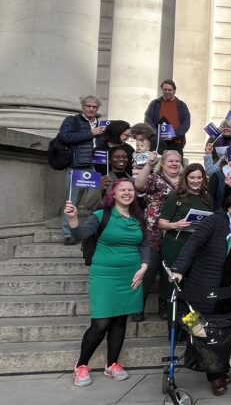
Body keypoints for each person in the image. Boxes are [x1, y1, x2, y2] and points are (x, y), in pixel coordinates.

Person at [168, 190, 231, 395]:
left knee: (224, 330)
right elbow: (192, 246)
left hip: (230, 289)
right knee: (199, 328)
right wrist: (178, 270)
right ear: (228, 204)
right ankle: (215, 375)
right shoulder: (214, 222)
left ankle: (220, 368)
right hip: (202, 286)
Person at [66, 179, 148, 387]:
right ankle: (81, 365)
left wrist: (144, 267)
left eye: (130, 189)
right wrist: (74, 218)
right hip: (105, 274)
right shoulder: (101, 215)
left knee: (120, 320)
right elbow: (79, 235)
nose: (127, 193)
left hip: (130, 274)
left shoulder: (139, 218)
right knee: (101, 322)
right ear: (113, 193)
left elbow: (146, 243)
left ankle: (112, 364)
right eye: (123, 190)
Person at [157, 163, 213, 317]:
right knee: (174, 285)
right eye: (192, 177)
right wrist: (176, 225)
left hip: (198, 246)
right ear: (186, 178)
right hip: (176, 243)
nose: (196, 181)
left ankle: (191, 327)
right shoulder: (176, 195)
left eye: (199, 177)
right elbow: (161, 223)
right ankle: (174, 326)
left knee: (194, 285)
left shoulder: (208, 198)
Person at [134, 150, 183, 322]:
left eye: (177, 161)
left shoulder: (185, 181)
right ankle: (138, 306)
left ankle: (164, 305)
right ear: (163, 163)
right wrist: (149, 164)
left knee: (168, 271)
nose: (174, 163)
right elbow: (139, 185)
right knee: (149, 269)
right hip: (153, 230)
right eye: (170, 161)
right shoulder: (155, 178)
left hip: (176, 231)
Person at [58, 95, 107, 245]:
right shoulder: (72, 120)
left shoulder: (100, 124)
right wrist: (91, 133)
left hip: (93, 166)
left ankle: (93, 230)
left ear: (97, 108)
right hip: (76, 165)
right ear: (83, 107)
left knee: (95, 199)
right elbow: (64, 137)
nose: (91, 109)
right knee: (72, 201)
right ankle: (68, 234)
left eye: (94, 107)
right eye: (88, 106)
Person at [143, 79, 191, 154]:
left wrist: (174, 134)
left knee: (175, 164)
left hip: (176, 142)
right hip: (158, 142)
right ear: (162, 90)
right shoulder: (155, 104)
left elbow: (186, 123)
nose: (167, 92)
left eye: (169, 90)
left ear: (174, 91)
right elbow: (148, 121)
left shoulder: (181, 105)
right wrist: (158, 134)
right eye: (165, 89)